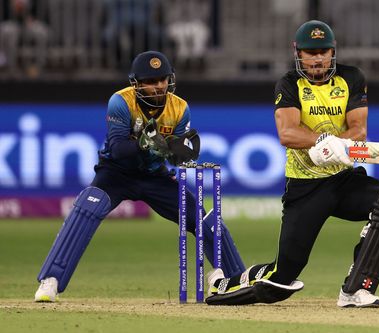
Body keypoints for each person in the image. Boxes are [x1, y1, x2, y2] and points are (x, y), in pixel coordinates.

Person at [205, 20, 379, 308]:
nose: (317, 58)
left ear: (333, 52)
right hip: (305, 188)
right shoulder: (289, 84)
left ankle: (356, 289)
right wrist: (320, 142)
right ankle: (221, 285)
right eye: (310, 52)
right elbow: (287, 133)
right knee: (281, 279)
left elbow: (359, 131)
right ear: (298, 53)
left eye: (323, 51)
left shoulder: (351, 78)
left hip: (344, 180)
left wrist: (335, 145)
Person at [34, 50, 245, 302]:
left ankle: (232, 279)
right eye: (151, 81)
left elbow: (175, 158)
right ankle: (51, 280)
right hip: (116, 173)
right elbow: (119, 150)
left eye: (163, 80)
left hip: (154, 176)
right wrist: (144, 143)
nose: (158, 86)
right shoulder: (120, 102)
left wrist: (178, 153)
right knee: (87, 207)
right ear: (137, 84)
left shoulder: (180, 108)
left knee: (200, 218)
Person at [0, 0, 49, 76]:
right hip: (12, 23)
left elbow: (41, 10)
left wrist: (32, 18)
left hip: (31, 23)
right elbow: (4, 12)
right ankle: (11, 68)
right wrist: (15, 10)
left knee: (41, 33)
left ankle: (39, 67)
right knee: (8, 33)